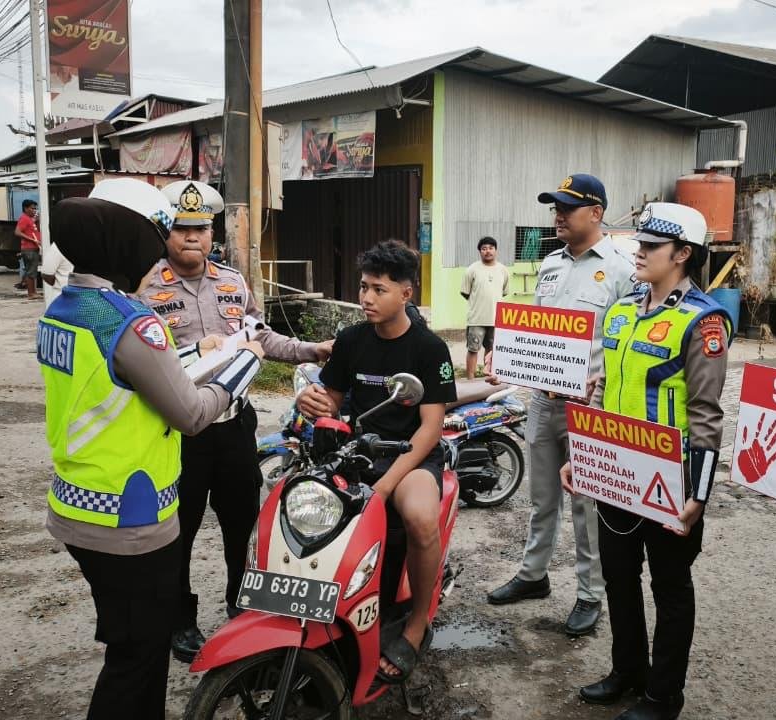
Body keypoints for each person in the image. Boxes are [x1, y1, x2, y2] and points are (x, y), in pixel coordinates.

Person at [38, 178, 266, 720]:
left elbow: (123, 387)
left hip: (75, 501)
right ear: (129, 246)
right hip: (128, 514)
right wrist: (244, 364)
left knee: (128, 644)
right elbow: (189, 413)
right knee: (137, 660)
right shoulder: (132, 321)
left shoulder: (63, 310)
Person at [139, 179, 334, 663]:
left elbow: (262, 338)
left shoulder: (233, 282)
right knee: (177, 531)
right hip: (180, 434)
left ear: (212, 233)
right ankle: (179, 620)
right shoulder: (145, 288)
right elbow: (143, 356)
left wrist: (314, 349)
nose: (192, 238)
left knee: (242, 526)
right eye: (182, 228)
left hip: (233, 428)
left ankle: (240, 605)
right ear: (166, 233)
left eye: (201, 228)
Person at [560, 202, 730, 720]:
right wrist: (580, 456)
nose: (639, 253)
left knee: (671, 587)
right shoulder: (622, 310)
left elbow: (706, 415)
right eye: (640, 243)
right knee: (617, 576)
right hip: (617, 472)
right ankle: (626, 671)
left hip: (671, 477)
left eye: (651, 247)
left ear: (682, 255)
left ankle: (663, 695)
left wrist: (697, 496)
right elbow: (604, 391)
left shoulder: (703, 321)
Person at [296, 239, 457, 683]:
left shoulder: (429, 348)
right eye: (364, 287)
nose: (366, 298)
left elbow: (429, 428)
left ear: (406, 293)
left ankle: (416, 623)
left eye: (379, 289)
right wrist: (311, 401)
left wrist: (387, 485)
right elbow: (329, 399)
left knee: (420, 517)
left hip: (410, 457)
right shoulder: (350, 340)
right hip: (357, 452)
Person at [487, 173, 636, 637]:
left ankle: (590, 593)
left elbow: (626, 341)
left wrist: (604, 379)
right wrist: (508, 358)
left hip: (589, 408)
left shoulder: (621, 269)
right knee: (542, 497)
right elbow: (539, 333)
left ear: (596, 214)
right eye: (555, 207)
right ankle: (534, 575)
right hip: (543, 401)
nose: (557, 216)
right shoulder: (549, 265)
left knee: (586, 503)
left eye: (567, 208)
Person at [460, 236, 509, 379]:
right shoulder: (472, 270)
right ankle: (470, 379)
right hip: (476, 319)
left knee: (492, 350)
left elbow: (503, 292)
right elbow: (466, 293)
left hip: (495, 319)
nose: (487, 251)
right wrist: (479, 303)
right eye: (484, 249)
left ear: (496, 250)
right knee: (473, 349)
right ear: (480, 251)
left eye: (491, 248)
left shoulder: (503, 270)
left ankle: (489, 377)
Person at [15, 199, 41, 299]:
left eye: (35, 208)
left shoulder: (30, 219)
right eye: (32, 208)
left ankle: (33, 292)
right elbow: (17, 232)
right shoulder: (24, 218)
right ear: (26, 208)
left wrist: (37, 221)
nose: (34, 210)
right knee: (31, 271)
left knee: (32, 271)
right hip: (29, 248)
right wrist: (33, 240)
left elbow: (35, 231)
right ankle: (31, 293)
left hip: (33, 248)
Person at [39, 239, 74, 307]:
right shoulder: (58, 247)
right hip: (63, 295)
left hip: (64, 294)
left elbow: (46, 274)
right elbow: (47, 274)